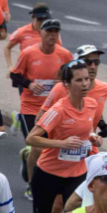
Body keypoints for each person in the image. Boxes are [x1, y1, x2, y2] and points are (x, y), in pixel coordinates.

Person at [12, 60, 101, 213]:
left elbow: (86, 130)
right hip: (48, 174)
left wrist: (93, 138)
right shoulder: (58, 109)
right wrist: (61, 144)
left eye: (87, 79)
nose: (85, 84)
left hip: (77, 173)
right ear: (67, 84)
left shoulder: (91, 104)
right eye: (79, 80)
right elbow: (32, 138)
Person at [10, 18, 73, 200]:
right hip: (31, 107)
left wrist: (63, 83)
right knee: (37, 147)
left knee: (48, 149)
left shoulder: (65, 55)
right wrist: (29, 84)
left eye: (56, 32)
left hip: (55, 109)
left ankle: (30, 158)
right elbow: (14, 76)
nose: (53, 35)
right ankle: (31, 184)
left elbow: (73, 77)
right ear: (41, 33)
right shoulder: (28, 53)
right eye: (49, 31)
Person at [4, 3, 61, 74]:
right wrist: (10, 66)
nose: (42, 22)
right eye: (40, 19)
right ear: (33, 17)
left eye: (46, 19)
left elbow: (59, 51)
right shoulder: (22, 31)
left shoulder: (52, 34)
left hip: (46, 70)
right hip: (26, 72)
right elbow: (7, 48)